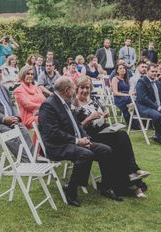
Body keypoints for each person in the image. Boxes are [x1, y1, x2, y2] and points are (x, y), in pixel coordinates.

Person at [37, 77, 123, 206]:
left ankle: (105, 187)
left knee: (106, 150)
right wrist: (77, 141)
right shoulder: (48, 105)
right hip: (56, 146)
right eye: (73, 88)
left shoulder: (65, 101)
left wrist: (85, 138)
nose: (75, 90)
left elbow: (76, 124)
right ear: (67, 90)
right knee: (85, 154)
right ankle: (71, 190)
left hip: (73, 141)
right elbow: (53, 133)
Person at [72, 76, 149, 198]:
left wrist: (105, 113)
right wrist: (89, 118)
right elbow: (77, 128)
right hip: (90, 135)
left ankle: (129, 179)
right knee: (120, 140)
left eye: (87, 87)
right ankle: (133, 175)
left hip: (104, 130)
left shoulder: (93, 100)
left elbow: (102, 112)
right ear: (76, 88)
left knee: (121, 140)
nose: (85, 91)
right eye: (82, 88)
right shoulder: (73, 105)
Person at [13, 65, 46, 133]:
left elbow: (45, 101)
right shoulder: (18, 90)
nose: (30, 76)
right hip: (29, 118)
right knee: (48, 118)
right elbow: (28, 105)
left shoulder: (37, 88)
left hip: (42, 114)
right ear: (22, 75)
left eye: (32, 74)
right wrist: (43, 107)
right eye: (28, 74)